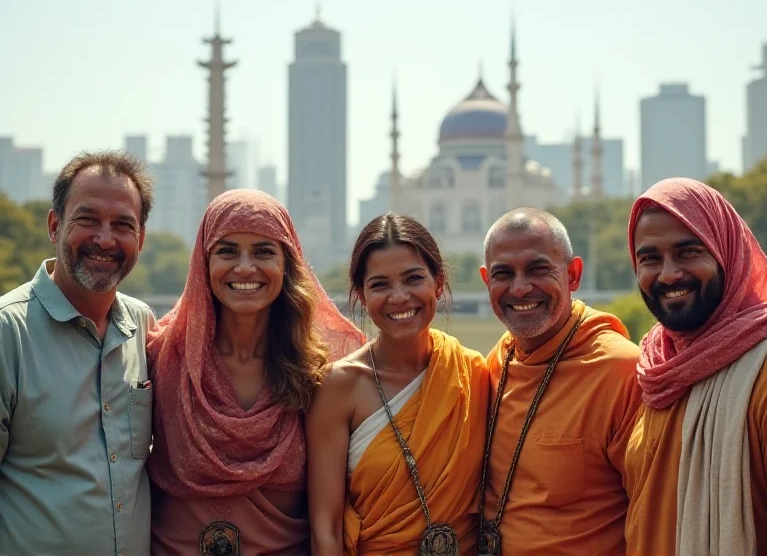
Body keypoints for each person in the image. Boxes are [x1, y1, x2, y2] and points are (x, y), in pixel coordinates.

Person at [146, 189, 364, 555]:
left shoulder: (320, 370)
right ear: (203, 263)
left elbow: (334, 513)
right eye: (227, 251)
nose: (245, 267)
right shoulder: (162, 357)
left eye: (263, 252)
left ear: (287, 264)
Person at [624, 177, 767, 555]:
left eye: (688, 252)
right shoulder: (656, 370)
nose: (669, 274)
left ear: (727, 253)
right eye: (650, 258)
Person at [0, 151, 155, 555]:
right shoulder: (8, 332)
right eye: (87, 220)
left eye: (122, 224)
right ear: (55, 226)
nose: (105, 239)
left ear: (139, 239)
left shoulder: (144, 327)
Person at [306, 212, 489, 555]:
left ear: (438, 282)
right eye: (380, 285)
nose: (399, 296)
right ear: (360, 295)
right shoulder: (338, 387)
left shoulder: (474, 374)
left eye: (413, 279)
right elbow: (326, 529)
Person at [477, 207, 642, 555]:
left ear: (573, 274)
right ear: (485, 281)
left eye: (538, 269)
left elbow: (654, 514)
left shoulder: (619, 370)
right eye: (503, 274)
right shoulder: (497, 363)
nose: (520, 289)